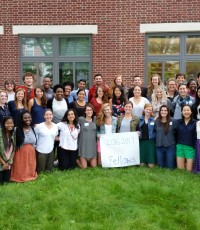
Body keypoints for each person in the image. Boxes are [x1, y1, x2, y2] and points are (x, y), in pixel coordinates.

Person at [11, 111, 37, 182]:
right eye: (25, 118)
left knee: (30, 165)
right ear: (21, 119)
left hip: (31, 152)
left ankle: (30, 175)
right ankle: (18, 177)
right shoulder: (16, 129)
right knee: (20, 166)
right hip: (20, 152)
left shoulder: (33, 128)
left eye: (29, 117)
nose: (28, 119)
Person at [175, 105, 196, 172]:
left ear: (191, 111)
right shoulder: (178, 122)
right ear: (181, 112)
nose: (186, 112)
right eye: (184, 110)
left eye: (188, 110)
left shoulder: (196, 123)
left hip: (190, 148)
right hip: (180, 147)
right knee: (180, 170)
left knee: (189, 170)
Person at [78, 103, 97, 169]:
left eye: (91, 110)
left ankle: (89, 160)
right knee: (84, 167)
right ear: (85, 111)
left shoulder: (95, 119)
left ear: (93, 111)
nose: (89, 112)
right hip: (84, 146)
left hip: (92, 147)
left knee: (94, 166)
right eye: (88, 110)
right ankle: (77, 161)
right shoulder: (81, 119)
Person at [0, 116, 15, 184]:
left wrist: (8, 162)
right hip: (1, 162)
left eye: (11, 123)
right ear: (3, 124)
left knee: (6, 183)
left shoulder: (13, 133)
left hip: (8, 162)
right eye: (7, 123)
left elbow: (14, 149)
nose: (10, 125)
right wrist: (4, 163)